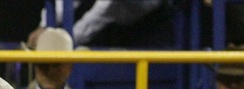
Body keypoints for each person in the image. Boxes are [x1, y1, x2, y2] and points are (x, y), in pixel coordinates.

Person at [27, 0, 169, 48]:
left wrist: (59, 41)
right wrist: (44, 26)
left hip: (157, 22)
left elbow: (100, 14)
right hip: (119, 23)